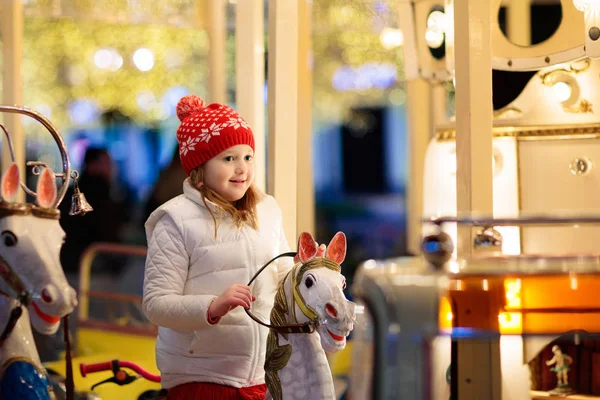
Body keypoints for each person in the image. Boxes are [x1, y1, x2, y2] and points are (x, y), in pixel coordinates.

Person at [142, 94, 294, 400]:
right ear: (200, 167)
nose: (242, 168)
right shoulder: (174, 221)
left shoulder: (268, 210)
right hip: (200, 380)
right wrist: (213, 306)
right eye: (229, 158)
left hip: (262, 374)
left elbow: (283, 279)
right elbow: (156, 304)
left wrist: (309, 271)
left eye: (248, 156)